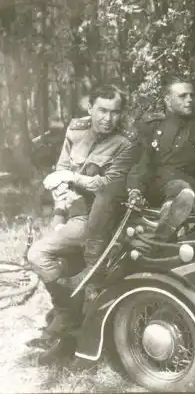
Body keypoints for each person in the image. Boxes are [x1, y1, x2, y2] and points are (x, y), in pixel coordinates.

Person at [26, 83, 139, 361]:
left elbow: (106, 184)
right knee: (57, 262)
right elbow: (61, 171)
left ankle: (67, 315)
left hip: (97, 219)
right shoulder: (76, 131)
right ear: (90, 108)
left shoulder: (125, 145)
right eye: (102, 110)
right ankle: (67, 320)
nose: (108, 118)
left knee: (37, 254)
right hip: (72, 214)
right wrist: (58, 214)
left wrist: (71, 178)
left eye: (114, 112)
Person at [127, 76, 195, 242]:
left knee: (182, 189)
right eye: (182, 96)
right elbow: (142, 163)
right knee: (181, 191)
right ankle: (165, 229)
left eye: (191, 95)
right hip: (154, 187)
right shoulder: (153, 125)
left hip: (185, 186)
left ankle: (162, 232)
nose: (189, 100)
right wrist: (135, 189)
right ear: (167, 100)